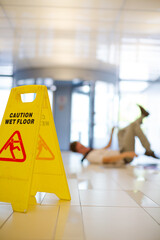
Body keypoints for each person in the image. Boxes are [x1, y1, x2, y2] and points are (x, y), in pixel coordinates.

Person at [70, 105, 159, 164]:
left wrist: (112, 133)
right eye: (81, 148)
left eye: (82, 145)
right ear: (79, 152)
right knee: (133, 127)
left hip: (121, 151)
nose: (84, 147)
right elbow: (107, 160)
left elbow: (107, 146)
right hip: (124, 157)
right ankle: (149, 150)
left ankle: (142, 117)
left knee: (120, 132)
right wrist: (127, 154)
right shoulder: (90, 157)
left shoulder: (91, 151)